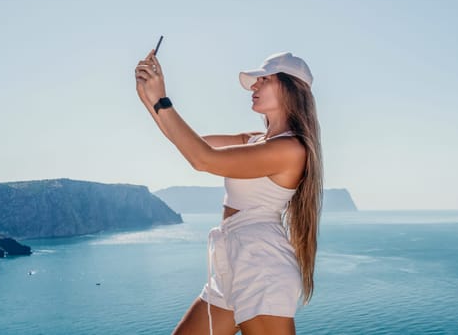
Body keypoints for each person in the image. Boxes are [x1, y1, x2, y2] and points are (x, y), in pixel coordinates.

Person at [135, 50, 323, 335]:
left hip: (261, 265)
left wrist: (161, 100)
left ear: (291, 88)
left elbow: (204, 159)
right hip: (232, 260)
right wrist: (149, 98)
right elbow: (189, 143)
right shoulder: (254, 140)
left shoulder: (291, 149)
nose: (254, 86)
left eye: (264, 80)